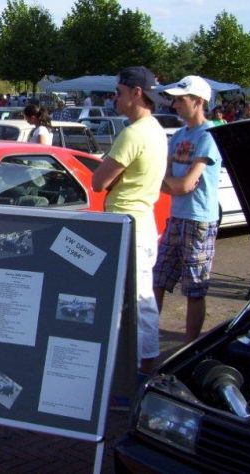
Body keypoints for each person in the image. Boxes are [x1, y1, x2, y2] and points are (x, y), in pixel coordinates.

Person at [91, 66, 167, 374]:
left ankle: (135, 373)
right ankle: (141, 367)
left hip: (127, 225)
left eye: (119, 92)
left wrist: (109, 172)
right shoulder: (156, 129)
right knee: (140, 299)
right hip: (142, 222)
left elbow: (98, 182)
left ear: (137, 93)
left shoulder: (133, 133)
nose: (114, 98)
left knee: (134, 300)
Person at [152, 75, 221, 345]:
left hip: (199, 219)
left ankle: (190, 347)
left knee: (194, 288)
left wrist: (170, 183)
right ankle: (147, 338)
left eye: (181, 100)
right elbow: (171, 179)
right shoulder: (179, 135)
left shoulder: (209, 135)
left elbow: (185, 184)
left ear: (198, 101)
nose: (175, 105)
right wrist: (172, 183)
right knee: (158, 278)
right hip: (177, 216)